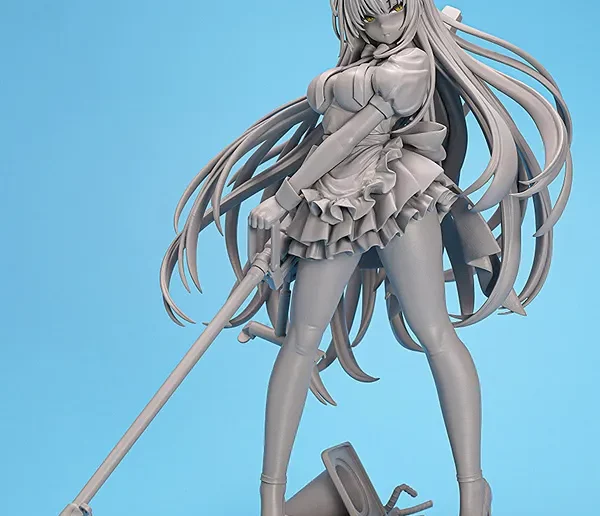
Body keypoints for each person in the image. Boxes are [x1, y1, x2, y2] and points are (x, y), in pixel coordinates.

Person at [161, 1, 573, 515]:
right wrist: (295, 196)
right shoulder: (363, 63)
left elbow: (349, 137)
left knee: (434, 332)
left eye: (394, 8)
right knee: (300, 340)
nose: (383, 23)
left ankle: (473, 490)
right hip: (332, 201)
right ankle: (270, 499)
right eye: (369, 16)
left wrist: (284, 198)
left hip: (396, 192)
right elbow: (328, 135)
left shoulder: (412, 65)